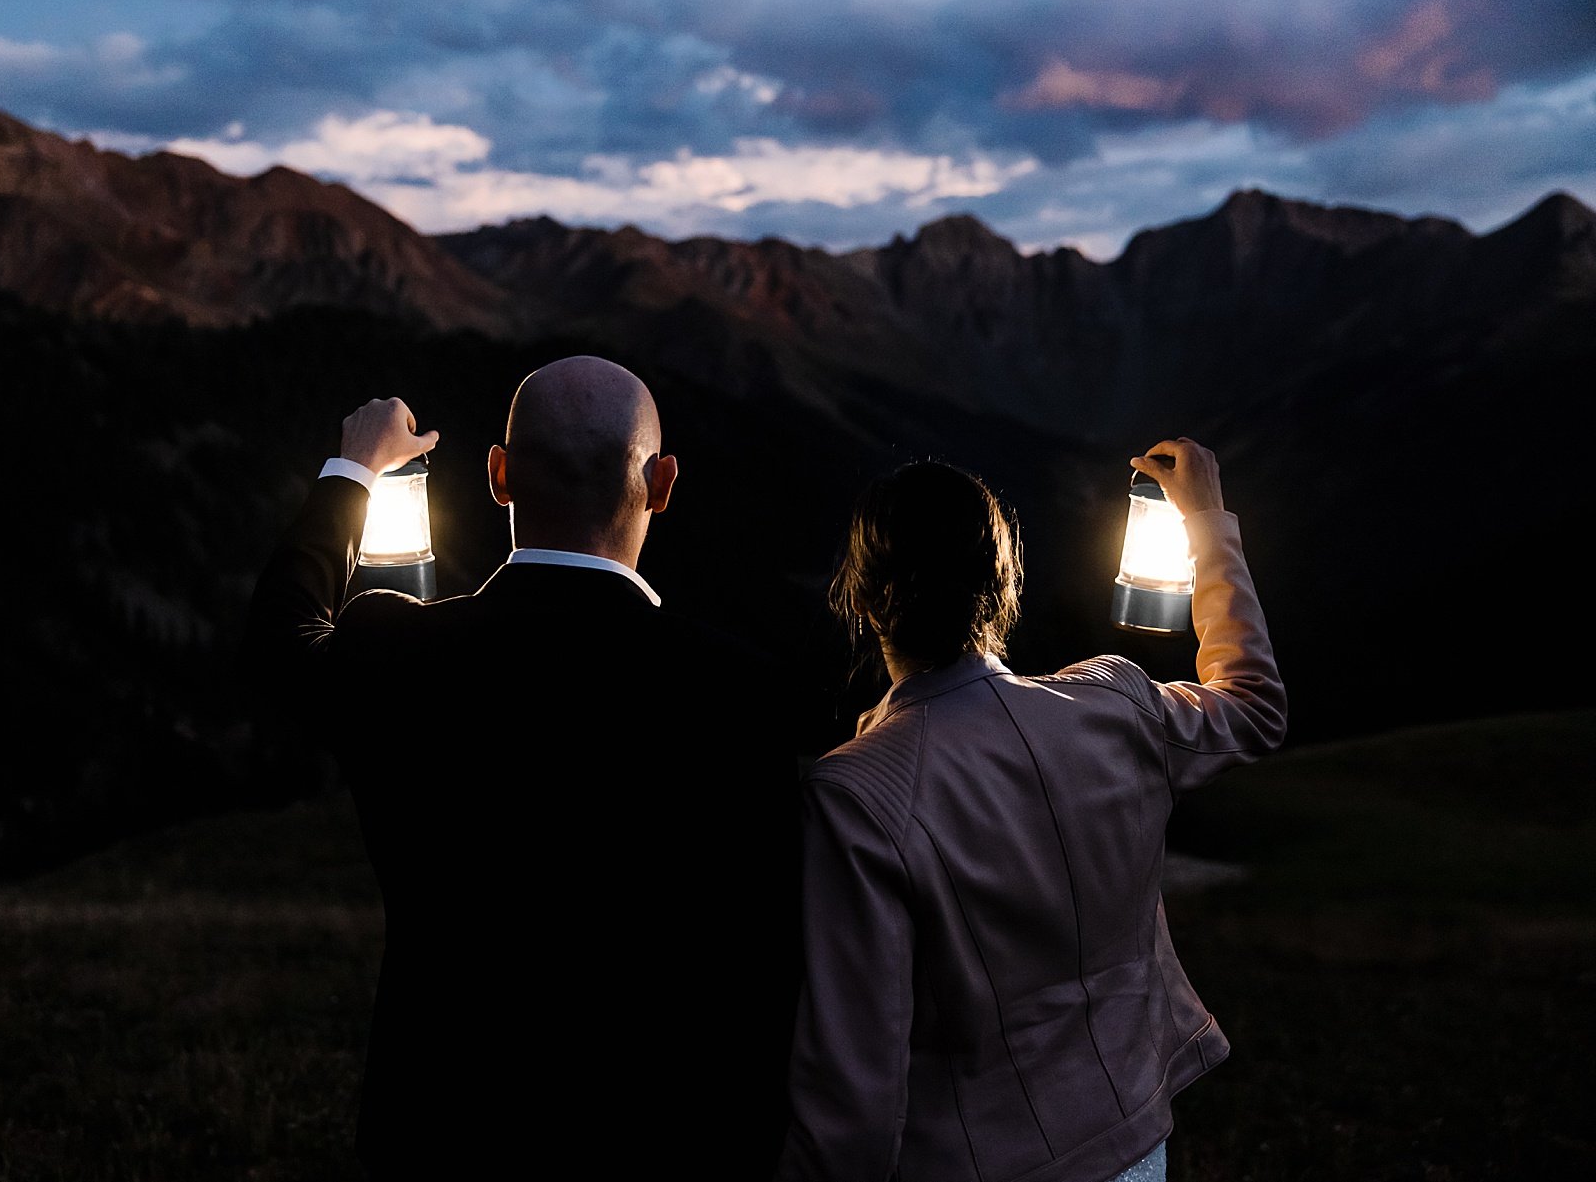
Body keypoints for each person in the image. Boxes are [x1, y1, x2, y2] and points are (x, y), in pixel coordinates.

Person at [243, 356, 800, 1179]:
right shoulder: (740, 694)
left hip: (438, 1134)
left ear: (499, 476)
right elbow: (768, 969)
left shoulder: (401, 652)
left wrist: (353, 470)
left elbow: (279, 638)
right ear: (663, 483)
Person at [776, 439, 1287, 1182]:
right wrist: (1205, 521)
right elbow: (1253, 703)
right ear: (1003, 582)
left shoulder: (856, 796)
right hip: (1138, 1148)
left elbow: (858, 1080)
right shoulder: (1116, 703)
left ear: (859, 598)